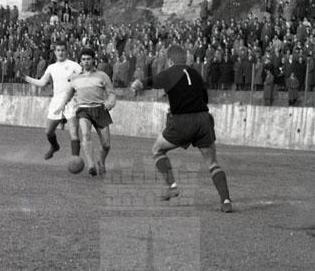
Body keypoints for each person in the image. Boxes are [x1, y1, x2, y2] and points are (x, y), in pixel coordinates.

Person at [131, 44, 233, 213]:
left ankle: (172, 187)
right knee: (212, 163)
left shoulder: (169, 73)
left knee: (157, 149)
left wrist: (136, 85)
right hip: (203, 120)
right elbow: (205, 99)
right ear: (184, 59)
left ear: (170, 60)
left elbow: (146, 82)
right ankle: (226, 200)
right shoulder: (196, 74)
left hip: (182, 121)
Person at [54, 47, 116, 176]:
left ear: (93, 60)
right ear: (80, 62)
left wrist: (110, 102)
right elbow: (69, 93)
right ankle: (91, 165)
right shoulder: (75, 78)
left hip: (100, 109)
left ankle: (101, 161)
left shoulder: (102, 76)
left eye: (88, 59)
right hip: (83, 110)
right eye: (83, 59)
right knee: (86, 134)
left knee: (106, 145)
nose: (86, 61)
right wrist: (62, 105)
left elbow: (111, 93)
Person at [23, 41, 82, 160]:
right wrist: (26, 78)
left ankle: (75, 159)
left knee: (74, 132)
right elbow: (42, 83)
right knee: (48, 132)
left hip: (71, 100)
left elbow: (84, 76)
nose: (60, 53)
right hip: (56, 101)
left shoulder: (74, 65)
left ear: (67, 51)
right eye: (58, 50)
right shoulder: (51, 67)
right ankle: (55, 147)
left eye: (63, 50)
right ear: (55, 52)